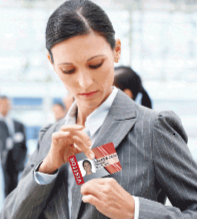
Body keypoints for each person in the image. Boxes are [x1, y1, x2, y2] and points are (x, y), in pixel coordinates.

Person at [1, 1, 197, 219]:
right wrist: (47, 168)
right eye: (68, 70)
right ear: (52, 63)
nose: (84, 83)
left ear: (117, 51)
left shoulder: (152, 129)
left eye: (95, 65)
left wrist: (136, 211)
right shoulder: (49, 137)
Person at [0, 96, 27, 198]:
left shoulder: (18, 124)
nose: (5, 107)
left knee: (17, 190)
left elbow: (24, 146)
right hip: (3, 162)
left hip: (17, 163)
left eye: (7, 105)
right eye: (2, 104)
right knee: (5, 190)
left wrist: (22, 161)